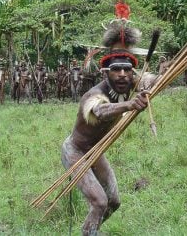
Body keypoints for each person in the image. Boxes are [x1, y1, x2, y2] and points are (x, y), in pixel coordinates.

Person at [61, 23, 156, 235]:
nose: (122, 74)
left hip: (96, 151)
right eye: (116, 70)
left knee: (114, 201)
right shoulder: (95, 94)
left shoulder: (130, 81)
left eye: (127, 70)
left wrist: (158, 78)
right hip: (76, 151)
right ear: (106, 72)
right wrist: (129, 105)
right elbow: (101, 111)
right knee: (100, 202)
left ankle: (90, 231)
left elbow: (148, 80)